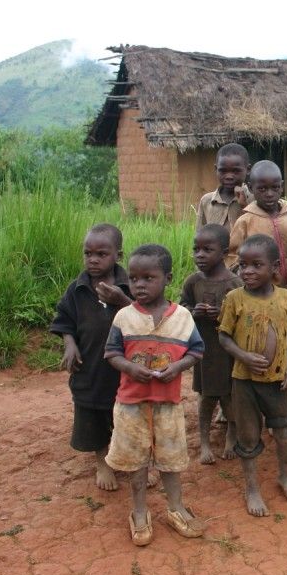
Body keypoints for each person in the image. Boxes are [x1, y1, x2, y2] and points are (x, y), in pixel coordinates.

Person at [104, 244, 206, 545]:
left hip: (168, 404)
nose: (139, 285)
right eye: (134, 278)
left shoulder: (183, 317)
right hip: (131, 404)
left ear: (168, 278)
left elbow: (197, 351)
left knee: (170, 460)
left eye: (148, 278)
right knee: (136, 462)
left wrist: (178, 367)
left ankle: (176, 507)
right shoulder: (124, 317)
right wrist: (129, 368)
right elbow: (111, 353)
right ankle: (139, 512)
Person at [218, 234, 287, 517]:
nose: (248, 271)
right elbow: (223, 337)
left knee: (284, 434)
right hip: (244, 383)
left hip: (278, 383)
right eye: (243, 265)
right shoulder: (234, 299)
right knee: (248, 437)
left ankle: (285, 475)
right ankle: (252, 488)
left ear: (275, 267)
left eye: (257, 265)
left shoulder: (286, 298)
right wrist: (243, 356)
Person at [51, 224, 132, 492]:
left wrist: (122, 300)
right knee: (94, 413)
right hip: (91, 366)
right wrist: (69, 343)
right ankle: (103, 461)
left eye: (101, 254)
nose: (93, 260)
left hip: (125, 369)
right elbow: (64, 320)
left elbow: (146, 316)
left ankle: (132, 460)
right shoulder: (78, 289)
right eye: (88, 253)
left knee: (128, 415)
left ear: (118, 255)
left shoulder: (131, 285)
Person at [179, 224, 242, 465]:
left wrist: (222, 315)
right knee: (205, 398)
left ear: (224, 253)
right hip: (203, 351)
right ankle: (204, 442)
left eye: (207, 250)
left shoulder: (235, 283)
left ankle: (231, 437)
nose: (200, 255)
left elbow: (244, 316)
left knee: (229, 397)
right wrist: (193, 311)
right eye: (196, 249)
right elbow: (181, 308)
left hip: (228, 352)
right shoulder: (193, 282)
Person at [228, 160, 287, 285]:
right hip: (259, 288)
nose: (269, 194)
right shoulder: (245, 221)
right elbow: (232, 257)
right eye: (262, 189)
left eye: (275, 188)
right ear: (250, 188)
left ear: (281, 186)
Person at [196, 143, 251, 232]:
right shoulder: (206, 201)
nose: (229, 176)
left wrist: (245, 206)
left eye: (236, 171)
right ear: (216, 169)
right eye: (223, 171)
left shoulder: (253, 199)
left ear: (248, 169)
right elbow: (200, 234)